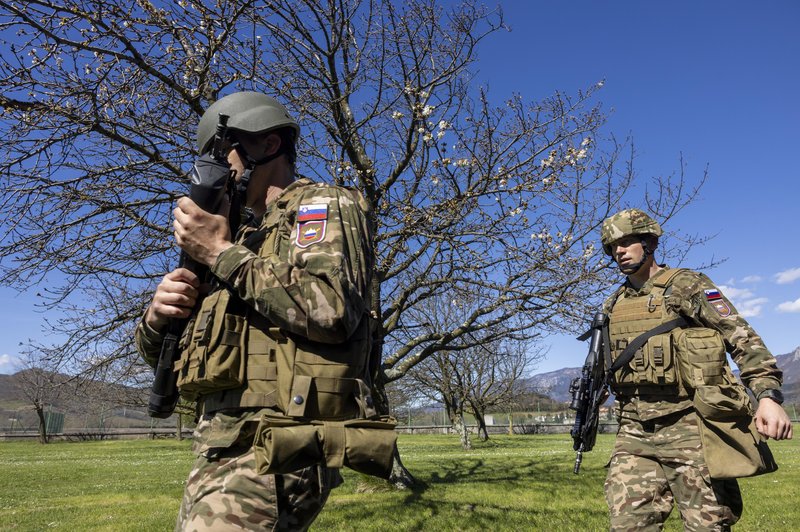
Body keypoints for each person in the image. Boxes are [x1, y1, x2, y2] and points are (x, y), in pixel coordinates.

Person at [135, 91, 376, 530]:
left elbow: (333, 309)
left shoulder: (320, 206)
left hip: (271, 445)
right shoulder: (245, 239)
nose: (217, 172)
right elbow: (174, 361)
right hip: (222, 445)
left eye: (221, 155)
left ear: (267, 144)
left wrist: (220, 253)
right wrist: (157, 318)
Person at [599, 208, 792, 531]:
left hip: (690, 425)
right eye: (612, 246)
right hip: (634, 430)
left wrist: (767, 395)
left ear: (649, 243)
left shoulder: (686, 286)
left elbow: (742, 338)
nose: (619, 250)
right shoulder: (613, 303)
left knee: (708, 525)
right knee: (628, 524)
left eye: (628, 241)